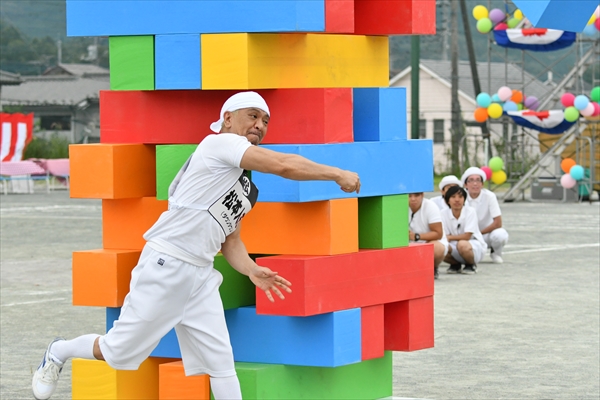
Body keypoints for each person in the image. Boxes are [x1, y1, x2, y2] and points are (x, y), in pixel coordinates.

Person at [32, 91, 361, 400]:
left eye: (265, 121)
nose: (260, 125)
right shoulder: (218, 145)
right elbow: (284, 165)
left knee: (221, 362)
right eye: (253, 115)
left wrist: (252, 270)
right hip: (167, 262)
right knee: (117, 353)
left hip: (202, 276)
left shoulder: (246, 187)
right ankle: (59, 350)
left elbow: (231, 241)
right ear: (228, 118)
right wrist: (336, 174)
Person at [461, 167, 509, 264]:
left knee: (500, 235)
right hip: (467, 235)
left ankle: (496, 253)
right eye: (471, 180)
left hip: (485, 234)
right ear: (466, 184)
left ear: (482, 184)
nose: (475, 184)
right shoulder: (460, 196)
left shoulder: (490, 196)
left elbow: (498, 223)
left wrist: (478, 233)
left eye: (478, 180)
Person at [441, 185, 487, 274]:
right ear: (447, 200)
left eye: (460, 197)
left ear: (464, 199)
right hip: (454, 244)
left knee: (462, 244)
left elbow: (467, 236)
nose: (457, 200)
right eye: (453, 197)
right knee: (439, 247)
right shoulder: (443, 213)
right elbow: (444, 235)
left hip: (472, 246)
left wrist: (450, 238)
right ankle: (455, 264)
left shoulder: (470, 211)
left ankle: (471, 264)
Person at [408, 192, 449, 279]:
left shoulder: (430, 206)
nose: (413, 199)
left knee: (437, 248)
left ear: (422, 195)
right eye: (409, 196)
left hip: (428, 241)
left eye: (416, 195)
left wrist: (416, 236)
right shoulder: (399, 205)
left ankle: (433, 267)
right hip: (409, 243)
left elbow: (438, 233)